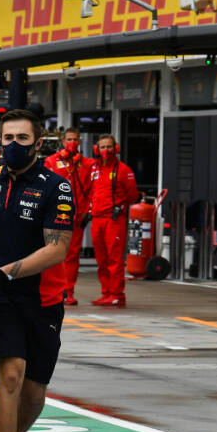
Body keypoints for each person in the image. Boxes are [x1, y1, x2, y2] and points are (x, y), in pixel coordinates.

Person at [0, 109, 74, 432]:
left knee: (33, 393)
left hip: (45, 297)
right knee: (10, 376)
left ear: (38, 143)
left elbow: (57, 249)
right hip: (0, 296)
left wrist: (7, 271)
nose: (13, 145)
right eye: (7, 138)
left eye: (22, 138)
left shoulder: (57, 186)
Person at [44, 127, 94, 306]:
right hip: (54, 217)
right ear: (63, 142)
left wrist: (88, 211)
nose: (72, 142)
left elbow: (91, 190)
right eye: (69, 139)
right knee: (52, 255)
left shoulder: (87, 164)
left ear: (79, 142)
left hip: (77, 218)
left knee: (72, 257)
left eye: (75, 139)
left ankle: (69, 291)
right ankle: (54, 291)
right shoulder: (51, 161)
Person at [88, 134, 138, 307]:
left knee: (114, 260)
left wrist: (119, 208)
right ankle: (106, 292)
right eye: (102, 147)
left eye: (109, 147)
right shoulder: (94, 169)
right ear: (97, 149)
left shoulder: (123, 170)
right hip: (96, 220)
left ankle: (117, 294)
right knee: (101, 260)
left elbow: (132, 195)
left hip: (114, 220)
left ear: (115, 148)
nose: (106, 150)